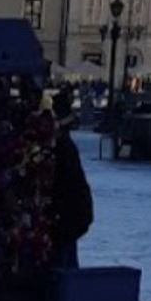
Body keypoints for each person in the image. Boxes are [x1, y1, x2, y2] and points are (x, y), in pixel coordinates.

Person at [50, 115, 94, 270]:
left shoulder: (60, 150)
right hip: (71, 218)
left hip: (64, 219)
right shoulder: (66, 148)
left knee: (62, 260)